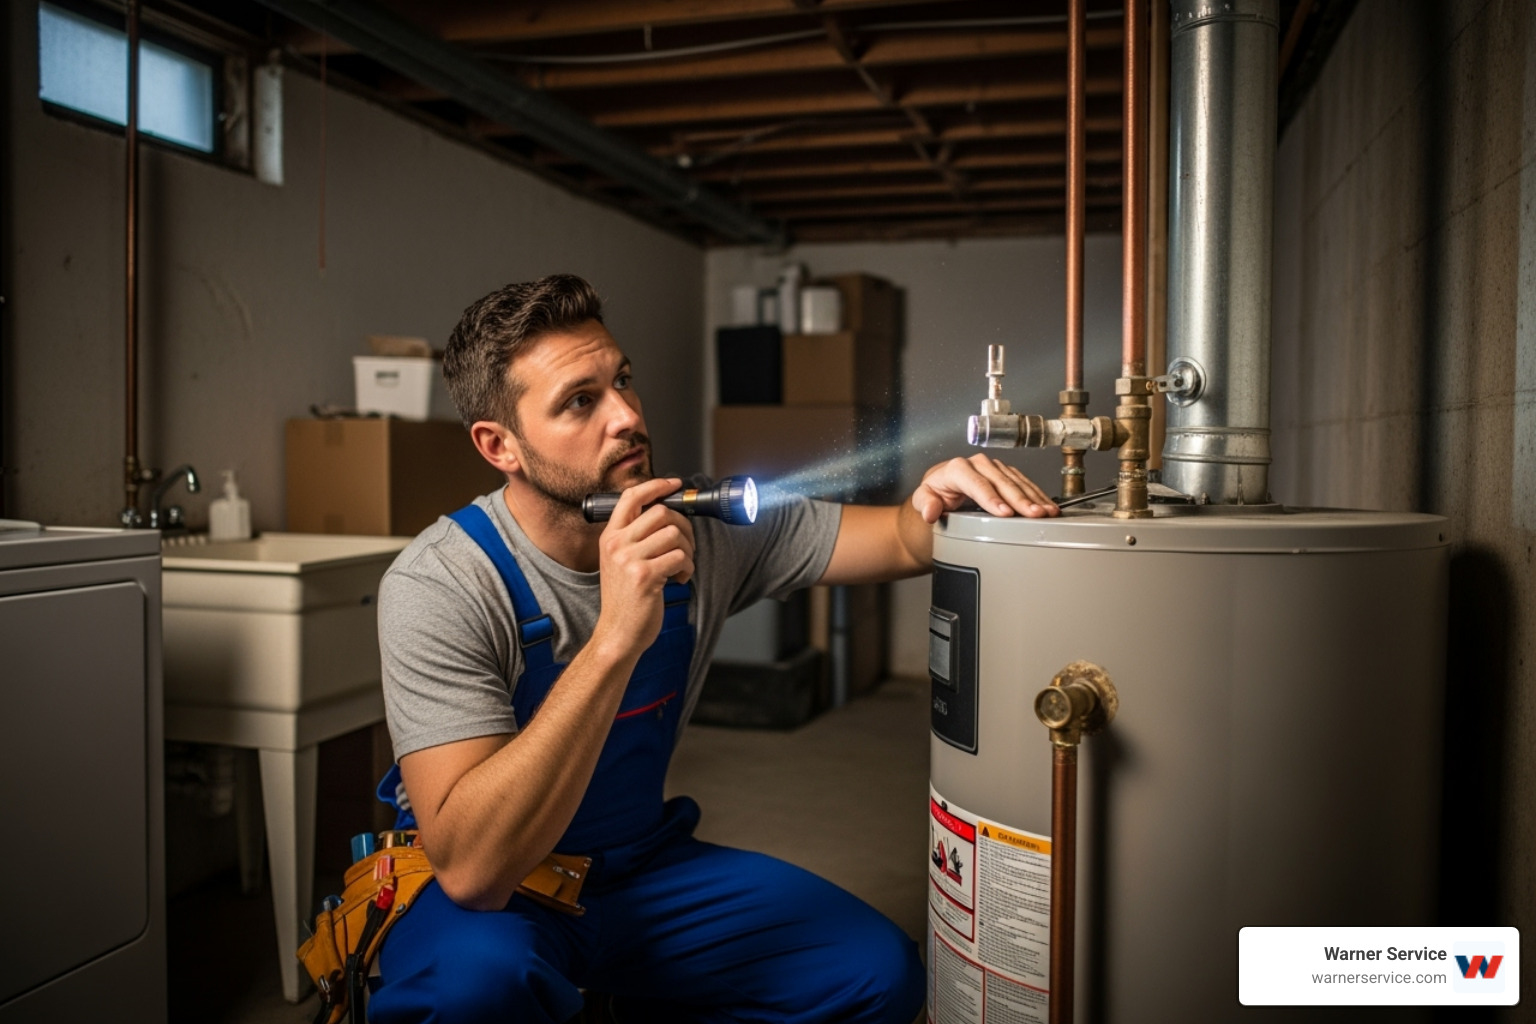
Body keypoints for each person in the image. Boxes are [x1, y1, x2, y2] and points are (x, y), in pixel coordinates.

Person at [368, 274, 1059, 1024]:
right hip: (501, 896)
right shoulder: (440, 583)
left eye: (623, 381)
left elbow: (896, 535)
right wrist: (613, 643)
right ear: (499, 444)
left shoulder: (698, 523)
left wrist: (941, 497)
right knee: (474, 991)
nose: (629, 416)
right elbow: (473, 869)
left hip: (637, 869)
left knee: (878, 976)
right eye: (581, 400)